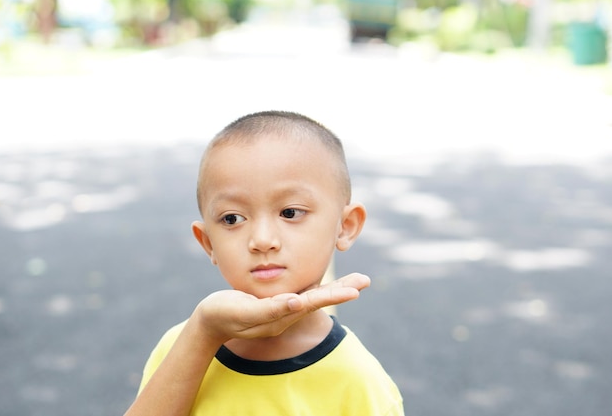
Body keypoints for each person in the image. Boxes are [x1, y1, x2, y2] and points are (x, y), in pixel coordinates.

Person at [124, 111, 404, 416]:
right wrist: (203, 332)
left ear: (345, 225)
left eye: (290, 212)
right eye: (232, 218)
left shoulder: (358, 381)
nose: (262, 239)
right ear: (208, 243)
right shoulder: (184, 346)